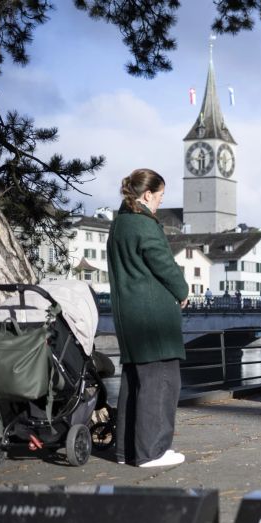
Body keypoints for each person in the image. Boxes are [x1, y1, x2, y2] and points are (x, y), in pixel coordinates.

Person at [107, 169, 189, 468]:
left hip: (128, 314)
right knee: (162, 381)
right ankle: (152, 452)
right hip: (152, 316)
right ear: (146, 195)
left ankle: (125, 451)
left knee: (134, 382)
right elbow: (163, 263)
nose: (159, 203)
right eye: (160, 197)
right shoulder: (144, 224)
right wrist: (182, 290)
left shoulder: (119, 225)